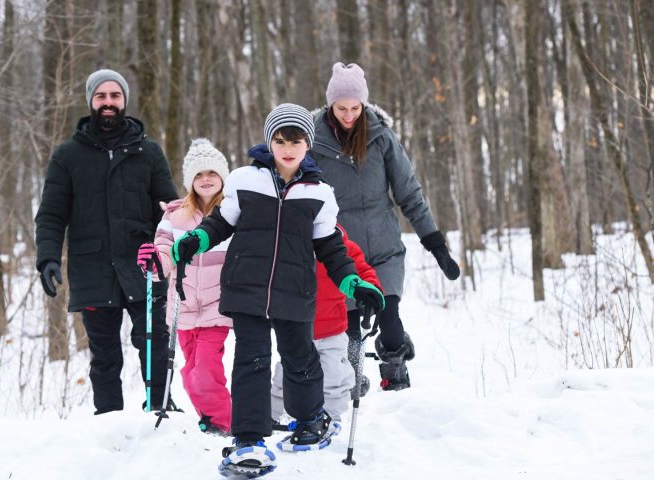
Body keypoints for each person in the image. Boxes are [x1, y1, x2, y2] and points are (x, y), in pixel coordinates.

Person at [172, 104, 386, 475]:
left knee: (299, 359)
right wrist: (196, 240)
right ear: (270, 142)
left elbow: (332, 249)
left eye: (297, 140)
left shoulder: (320, 194)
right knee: (251, 361)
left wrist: (355, 283)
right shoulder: (244, 180)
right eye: (280, 139)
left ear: (308, 144)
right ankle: (249, 439)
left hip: (294, 290)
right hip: (247, 288)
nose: (288, 147)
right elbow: (221, 222)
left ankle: (309, 421)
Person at [34, 68, 179, 415]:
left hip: (143, 267)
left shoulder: (149, 152)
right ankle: (109, 422)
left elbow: (170, 211)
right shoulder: (68, 156)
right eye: (101, 97)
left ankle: (160, 409)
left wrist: (167, 250)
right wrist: (48, 258)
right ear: (91, 102)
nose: (108, 103)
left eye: (115, 96)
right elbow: (51, 214)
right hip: (92, 269)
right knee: (104, 355)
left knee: (154, 344)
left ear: (124, 101)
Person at [310, 62, 461, 392]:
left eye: (355, 107)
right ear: (330, 105)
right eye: (341, 108)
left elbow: (409, 193)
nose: (349, 115)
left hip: (383, 251)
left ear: (364, 104)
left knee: (389, 321)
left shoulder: (381, 138)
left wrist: (436, 246)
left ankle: (394, 373)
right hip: (340, 256)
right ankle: (351, 378)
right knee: (348, 334)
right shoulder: (313, 142)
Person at [136, 139, 233, 435]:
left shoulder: (231, 213)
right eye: (199, 174)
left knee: (204, 372)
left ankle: (229, 423)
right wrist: (154, 261)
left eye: (212, 173)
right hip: (183, 307)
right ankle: (210, 419)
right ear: (190, 180)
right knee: (191, 373)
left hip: (218, 307)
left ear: (223, 177)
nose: (206, 179)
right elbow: (163, 249)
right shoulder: (174, 215)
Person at [270, 225, 382, 426]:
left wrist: (371, 290)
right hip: (295, 327)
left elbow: (363, 271)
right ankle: (275, 415)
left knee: (333, 376)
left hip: (332, 329)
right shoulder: (287, 243)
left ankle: (331, 418)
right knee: (286, 373)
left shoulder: (341, 244)